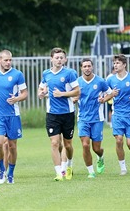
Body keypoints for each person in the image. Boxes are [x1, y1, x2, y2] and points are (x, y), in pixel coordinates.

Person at [0, 50, 28, 184]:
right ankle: (2, 169)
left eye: (10, 60)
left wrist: (17, 99)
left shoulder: (17, 74)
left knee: (12, 146)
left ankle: (11, 174)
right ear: (0, 61)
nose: (8, 62)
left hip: (13, 115)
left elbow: (25, 93)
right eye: (6, 60)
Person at [37, 48, 79, 181]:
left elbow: (77, 91)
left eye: (61, 58)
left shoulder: (70, 73)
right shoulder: (46, 74)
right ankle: (59, 172)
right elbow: (41, 89)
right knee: (55, 143)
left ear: (65, 59)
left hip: (67, 113)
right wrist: (41, 93)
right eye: (57, 57)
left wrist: (62, 94)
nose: (59, 60)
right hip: (52, 114)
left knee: (67, 144)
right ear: (51, 59)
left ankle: (69, 165)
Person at [76, 58, 113, 178]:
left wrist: (104, 99)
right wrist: (73, 99)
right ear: (81, 68)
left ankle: (100, 157)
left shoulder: (100, 81)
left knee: (96, 148)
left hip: (97, 119)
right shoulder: (77, 82)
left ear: (92, 67)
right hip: (82, 118)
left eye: (89, 66)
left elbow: (110, 93)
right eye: (84, 66)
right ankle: (91, 171)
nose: (87, 68)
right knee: (85, 145)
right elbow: (71, 95)